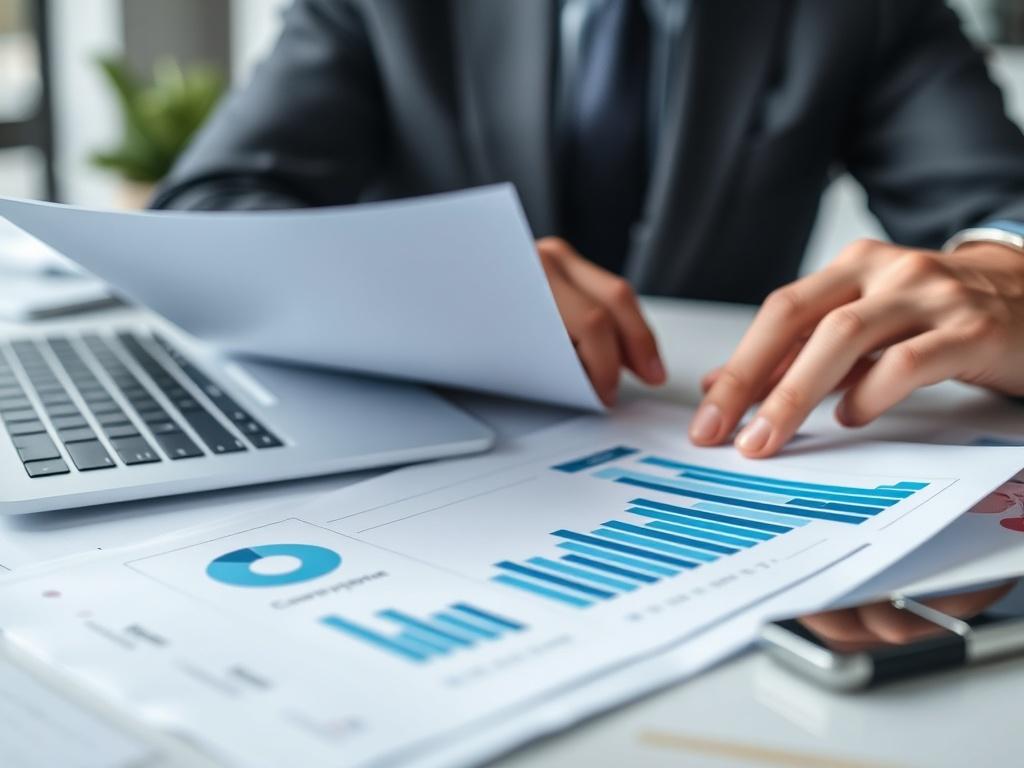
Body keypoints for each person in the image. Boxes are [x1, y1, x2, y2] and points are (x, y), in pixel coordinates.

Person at [153, 0, 1024, 458]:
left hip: (709, 458)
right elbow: (211, 205)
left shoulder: (866, 9)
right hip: (426, 463)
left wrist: (1002, 270)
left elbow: (999, 201)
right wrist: (424, 278)